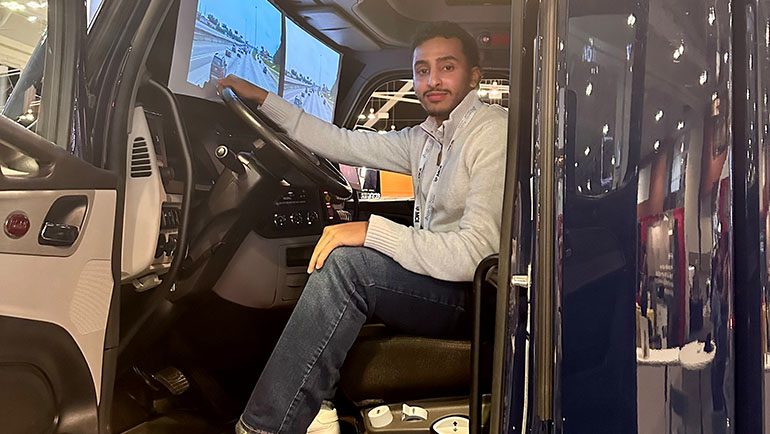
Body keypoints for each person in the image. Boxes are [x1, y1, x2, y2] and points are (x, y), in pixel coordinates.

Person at [217, 21, 508, 434]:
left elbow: (477, 254)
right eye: (422, 70)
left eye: (447, 67)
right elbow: (342, 143)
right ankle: (318, 404)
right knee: (344, 257)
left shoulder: (490, 132)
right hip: (444, 282)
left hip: (476, 298)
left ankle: (264, 428)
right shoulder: (426, 138)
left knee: (348, 268)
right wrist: (265, 99)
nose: (432, 80)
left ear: (474, 75)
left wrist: (371, 231)